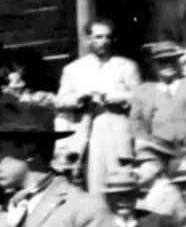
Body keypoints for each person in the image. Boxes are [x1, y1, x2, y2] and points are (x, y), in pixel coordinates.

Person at [54, 18, 140, 193]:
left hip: (118, 134)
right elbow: (60, 102)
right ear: (88, 40)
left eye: (108, 37)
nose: (104, 42)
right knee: (95, 186)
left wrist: (112, 96)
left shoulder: (126, 66)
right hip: (89, 134)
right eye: (99, 37)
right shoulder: (73, 69)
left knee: (123, 184)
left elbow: (141, 99)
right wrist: (79, 98)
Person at [132, 42, 186, 158]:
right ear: (153, 64)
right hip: (157, 144)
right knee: (148, 170)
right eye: (161, 61)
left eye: (172, 60)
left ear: (178, 62)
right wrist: (143, 139)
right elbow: (135, 120)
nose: (168, 65)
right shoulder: (142, 91)